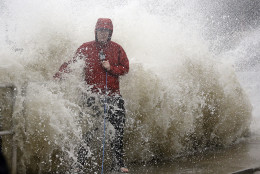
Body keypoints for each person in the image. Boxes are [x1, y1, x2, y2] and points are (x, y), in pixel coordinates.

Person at [54, 18, 129, 173]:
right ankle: (79, 164)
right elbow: (73, 63)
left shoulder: (117, 48)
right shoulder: (86, 47)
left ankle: (119, 164)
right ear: (96, 31)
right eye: (100, 30)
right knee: (87, 132)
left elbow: (125, 68)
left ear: (110, 32)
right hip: (92, 97)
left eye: (106, 30)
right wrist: (58, 76)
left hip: (114, 97)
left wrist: (112, 68)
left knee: (118, 132)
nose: (103, 33)